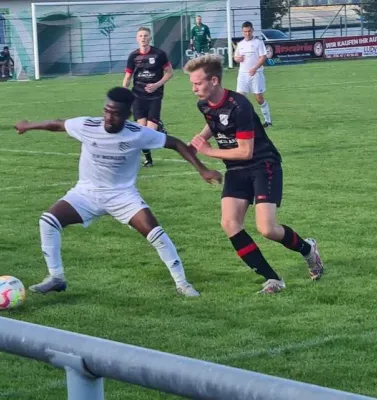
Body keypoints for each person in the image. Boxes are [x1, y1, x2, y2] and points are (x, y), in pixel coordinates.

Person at [13, 87, 222, 297]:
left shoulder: (137, 134)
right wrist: (28, 126)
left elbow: (175, 143)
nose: (109, 117)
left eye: (116, 113)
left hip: (123, 196)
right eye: (107, 111)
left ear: (127, 115)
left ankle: (182, 284)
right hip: (86, 193)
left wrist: (202, 170)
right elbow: (57, 124)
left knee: (156, 234)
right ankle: (56, 277)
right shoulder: (88, 125)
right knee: (48, 220)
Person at [184, 55, 324, 294]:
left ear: (214, 80)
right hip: (236, 169)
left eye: (197, 83)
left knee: (267, 229)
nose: (193, 88)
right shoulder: (204, 104)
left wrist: (209, 151)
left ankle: (308, 249)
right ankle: (273, 279)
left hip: (262, 164)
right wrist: (201, 138)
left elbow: (246, 152)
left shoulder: (241, 106)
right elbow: (214, 120)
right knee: (229, 223)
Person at [123, 27, 173, 168]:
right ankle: (148, 160)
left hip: (155, 96)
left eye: (146, 36)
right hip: (137, 96)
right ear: (137, 39)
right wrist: (123, 94)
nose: (143, 38)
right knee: (141, 130)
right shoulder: (133, 56)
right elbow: (128, 77)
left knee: (150, 131)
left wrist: (157, 84)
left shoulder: (159, 54)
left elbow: (169, 73)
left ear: (150, 38)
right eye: (140, 36)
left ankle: (159, 127)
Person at [233, 21, 272, 128]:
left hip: (256, 74)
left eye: (249, 31)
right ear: (242, 32)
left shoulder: (258, 42)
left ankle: (268, 121)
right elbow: (235, 57)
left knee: (259, 98)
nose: (247, 33)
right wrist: (237, 58)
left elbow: (263, 57)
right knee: (239, 98)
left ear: (252, 30)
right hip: (243, 74)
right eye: (245, 31)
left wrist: (255, 68)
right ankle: (241, 122)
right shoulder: (240, 44)